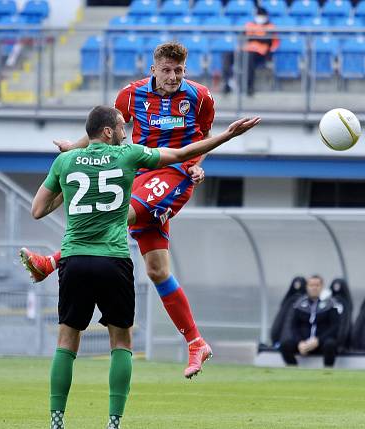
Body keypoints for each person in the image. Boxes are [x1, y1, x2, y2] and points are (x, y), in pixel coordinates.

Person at [31, 104, 259, 429]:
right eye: (122, 126)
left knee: (66, 340)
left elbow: (38, 209)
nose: (127, 130)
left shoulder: (65, 162)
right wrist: (228, 135)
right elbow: (182, 153)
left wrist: (67, 188)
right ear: (108, 132)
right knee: (120, 341)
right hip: (113, 261)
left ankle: (56, 428)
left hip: (74, 259)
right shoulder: (129, 155)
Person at [19, 42, 218, 380]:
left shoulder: (200, 97)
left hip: (174, 173)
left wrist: (197, 165)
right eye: (167, 70)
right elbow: (105, 130)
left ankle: (51, 262)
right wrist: (75, 145)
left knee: (116, 212)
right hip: (140, 175)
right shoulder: (130, 96)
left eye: (179, 71)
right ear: (153, 69)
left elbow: (205, 135)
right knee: (156, 269)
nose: (173, 77)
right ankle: (196, 341)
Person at [279, 275, 341, 368]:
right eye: (311, 285)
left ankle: (327, 371)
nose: (314, 288)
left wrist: (318, 340)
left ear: (322, 287)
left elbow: (335, 327)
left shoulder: (331, 304)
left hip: (321, 342)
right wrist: (300, 342)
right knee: (285, 345)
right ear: (307, 287)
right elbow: (294, 326)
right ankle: (293, 368)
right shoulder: (300, 304)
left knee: (330, 344)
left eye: (317, 285)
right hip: (303, 343)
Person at [243, 7, 279, 96]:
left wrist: (256, 37)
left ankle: (249, 87)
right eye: (258, 15)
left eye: (262, 15)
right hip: (245, 51)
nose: (260, 17)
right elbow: (247, 38)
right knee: (227, 55)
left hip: (261, 54)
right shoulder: (250, 25)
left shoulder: (271, 26)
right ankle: (227, 83)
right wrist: (259, 37)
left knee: (249, 59)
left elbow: (272, 42)